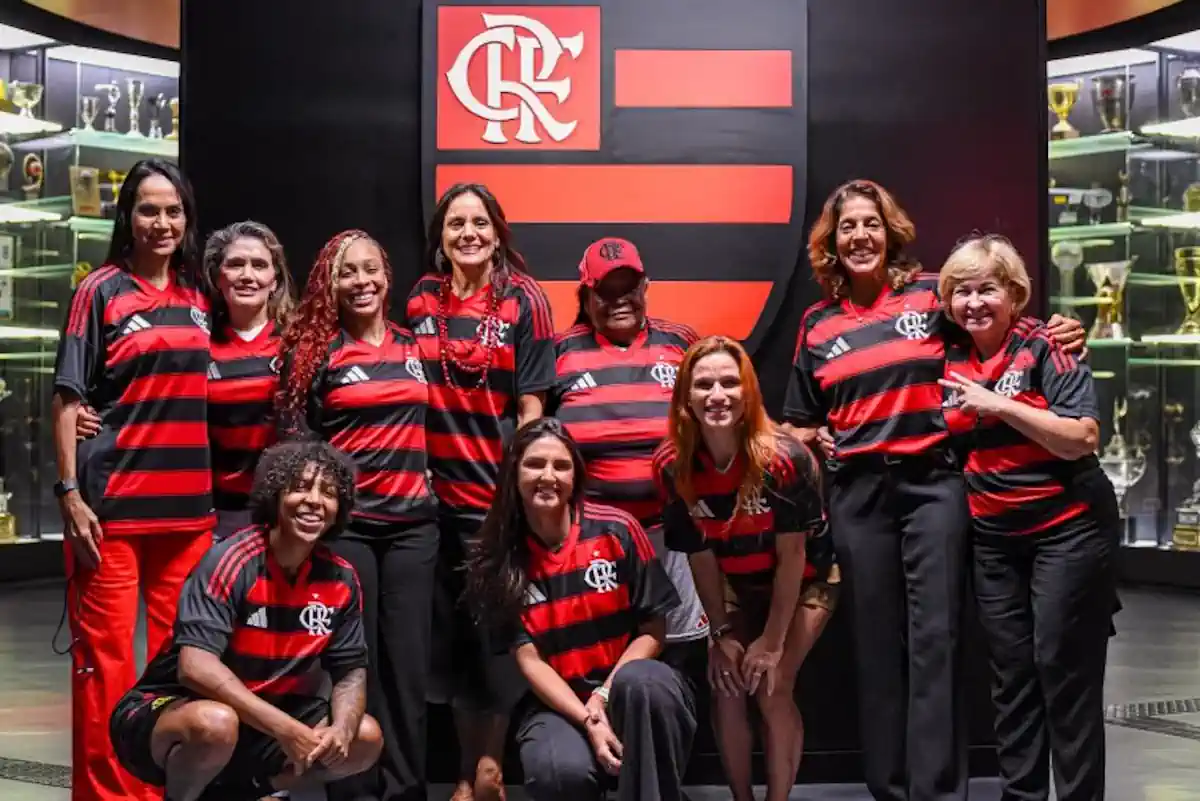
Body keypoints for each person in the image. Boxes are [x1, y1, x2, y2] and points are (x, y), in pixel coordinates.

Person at [781, 178, 1087, 801]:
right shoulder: (816, 324)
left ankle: (937, 792)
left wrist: (1064, 329)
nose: (860, 236)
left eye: (871, 224)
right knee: (874, 645)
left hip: (935, 486)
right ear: (831, 244)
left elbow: (998, 325)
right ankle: (890, 789)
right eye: (847, 227)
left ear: (889, 232)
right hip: (858, 495)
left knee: (937, 641)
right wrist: (812, 440)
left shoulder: (931, 296)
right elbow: (798, 419)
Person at [52, 157, 215, 801]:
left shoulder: (202, 294)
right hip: (111, 511)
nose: (162, 222)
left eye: (173, 210)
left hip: (191, 513)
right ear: (128, 215)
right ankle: (106, 795)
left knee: (180, 666)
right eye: (149, 209)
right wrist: (68, 492)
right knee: (106, 666)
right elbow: (67, 399)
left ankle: (158, 789)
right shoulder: (101, 289)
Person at [936, 234, 1117, 801]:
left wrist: (998, 405)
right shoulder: (949, 353)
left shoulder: (1046, 345)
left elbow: (1083, 438)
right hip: (995, 539)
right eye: (961, 292)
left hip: (1070, 529)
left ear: (1015, 293)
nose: (974, 303)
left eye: (987, 289)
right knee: (1011, 677)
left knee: (1062, 668)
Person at [107, 439, 383, 801]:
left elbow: (350, 670)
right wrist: (287, 730)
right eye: (300, 488)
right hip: (169, 710)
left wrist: (342, 730)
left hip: (265, 715)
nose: (315, 501)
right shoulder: (232, 560)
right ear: (275, 496)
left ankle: (257, 790)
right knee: (215, 724)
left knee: (365, 737)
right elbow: (196, 668)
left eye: (328, 493)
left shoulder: (341, 577)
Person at [406, 182, 556, 800]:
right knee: (447, 643)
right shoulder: (420, 299)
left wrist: (515, 492)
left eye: (479, 222)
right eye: (455, 224)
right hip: (424, 500)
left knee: (493, 640)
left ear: (497, 232)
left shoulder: (525, 300)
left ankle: (483, 771)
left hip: (489, 499)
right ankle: (460, 770)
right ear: (441, 237)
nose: (468, 233)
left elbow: (532, 404)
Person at [277, 229, 437, 801]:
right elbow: (300, 449)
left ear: (387, 276)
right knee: (353, 668)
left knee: (408, 671)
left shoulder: (414, 345)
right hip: (351, 534)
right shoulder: (317, 352)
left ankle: (406, 790)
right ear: (331, 283)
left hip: (416, 529)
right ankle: (354, 791)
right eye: (348, 272)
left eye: (371, 269)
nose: (362, 281)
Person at [466, 417, 694, 801]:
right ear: (513, 472)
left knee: (644, 683)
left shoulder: (617, 529)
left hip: (631, 691)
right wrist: (589, 719)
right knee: (557, 772)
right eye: (535, 464)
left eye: (561, 465)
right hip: (558, 705)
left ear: (576, 475)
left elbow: (654, 630)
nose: (548, 476)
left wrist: (603, 696)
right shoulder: (498, 558)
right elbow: (529, 661)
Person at [655, 336, 835, 801]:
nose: (718, 395)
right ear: (686, 397)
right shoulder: (673, 466)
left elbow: (794, 558)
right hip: (734, 578)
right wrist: (720, 635)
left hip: (806, 581)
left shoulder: (785, 459)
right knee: (728, 684)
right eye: (705, 384)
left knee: (771, 686)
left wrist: (772, 642)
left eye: (730, 383)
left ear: (749, 391)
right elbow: (699, 554)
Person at [74, 220, 297, 542]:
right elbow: (147, 386)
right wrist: (86, 408)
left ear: (274, 279)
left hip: (282, 513)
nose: (248, 275)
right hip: (211, 513)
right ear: (218, 277)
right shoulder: (196, 342)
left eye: (259, 265)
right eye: (235, 265)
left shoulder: (298, 343)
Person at [549, 236, 710, 674]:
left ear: (646, 287)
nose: (620, 300)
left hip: (672, 537)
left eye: (630, 288)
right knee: (606, 662)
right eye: (605, 289)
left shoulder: (682, 343)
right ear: (585, 293)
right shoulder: (558, 353)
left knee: (683, 662)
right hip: (594, 544)